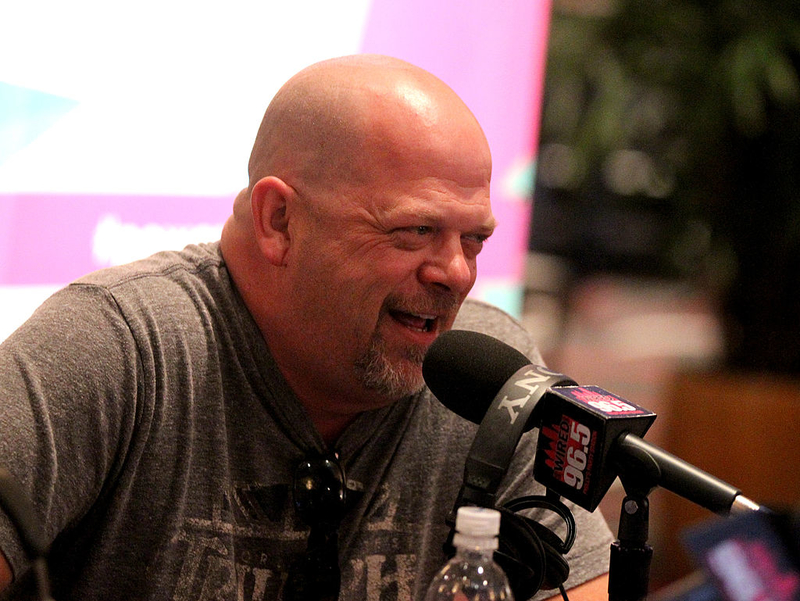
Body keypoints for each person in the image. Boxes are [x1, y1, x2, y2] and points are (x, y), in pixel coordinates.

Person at [0, 55, 613, 600]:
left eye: (474, 240)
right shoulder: (118, 348)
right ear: (279, 220)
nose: (455, 273)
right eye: (416, 231)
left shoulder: (495, 377)